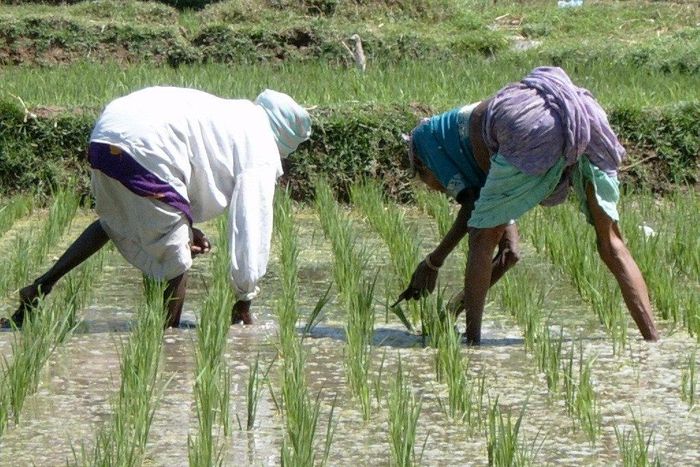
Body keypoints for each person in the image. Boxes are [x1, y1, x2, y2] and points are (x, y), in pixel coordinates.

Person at [1, 86, 311, 329]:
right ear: (284, 142)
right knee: (178, 261)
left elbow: (189, 159)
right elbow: (250, 226)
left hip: (107, 134)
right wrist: (244, 297)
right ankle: (165, 340)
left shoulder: (235, 116)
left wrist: (185, 225)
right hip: (146, 146)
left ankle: (40, 288)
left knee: (115, 221)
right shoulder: (260, 145)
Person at [399, 66, 659, 345]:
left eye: (427, 183)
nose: (437, 190)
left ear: (422, 168)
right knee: (611, 243)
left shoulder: (425, 139)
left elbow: (473, 207)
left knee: (481, 236)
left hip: (530, 124)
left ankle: (472, 344)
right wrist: (449, 312)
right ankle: (653, 340)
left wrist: (433, 262)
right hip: (587, 118)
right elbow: (508, 251)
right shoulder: (477, 157)